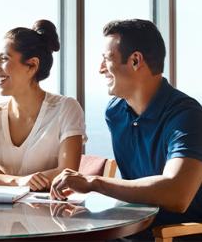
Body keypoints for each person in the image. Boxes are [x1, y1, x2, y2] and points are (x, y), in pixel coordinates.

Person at [50, 19, 202, 228]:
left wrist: (95, 182)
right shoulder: (115, 113)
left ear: (135, 60)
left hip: (176, 235)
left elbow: (178, 194)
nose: (100, 69)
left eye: (106, 59)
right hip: (132, 227)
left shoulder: (187, 116)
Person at [0, 19, 86, 191]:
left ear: (32, 65)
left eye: (4, 59)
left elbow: (66, 174)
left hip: (48, 216)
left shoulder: (66, 109)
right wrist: (17, 182)